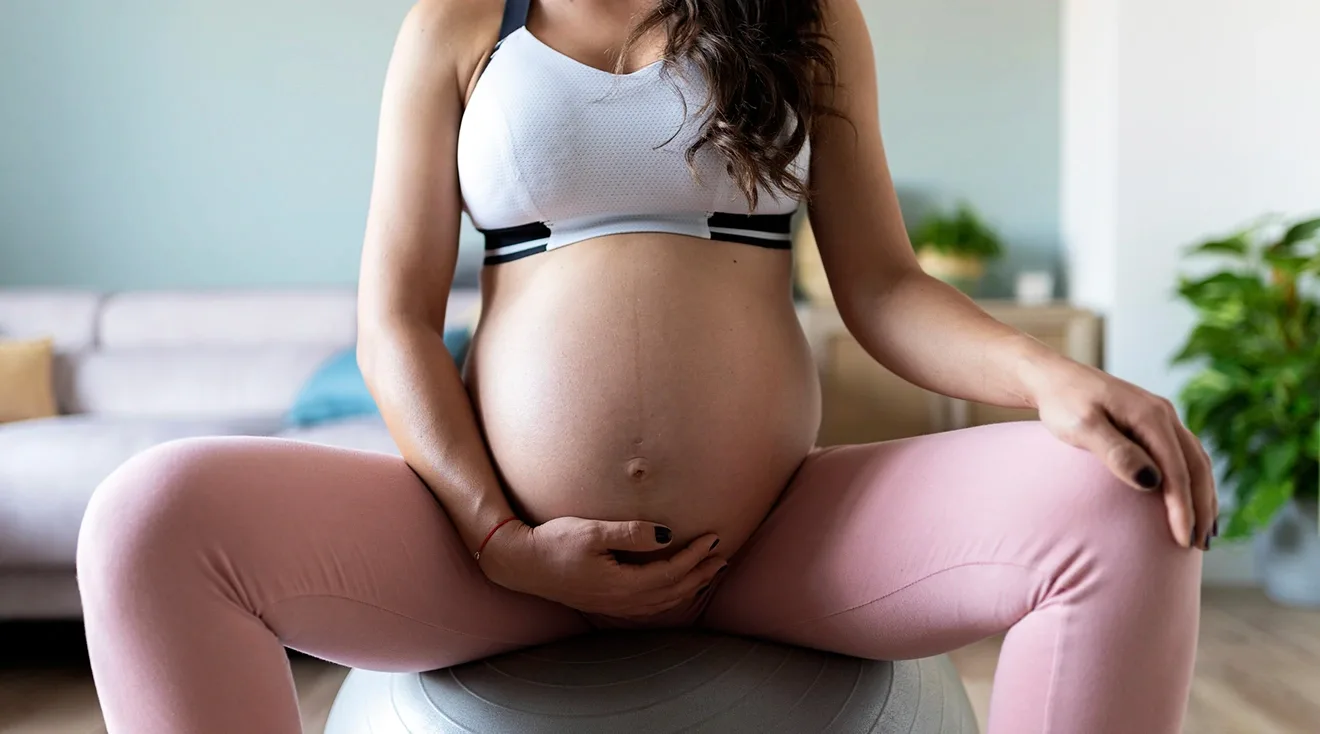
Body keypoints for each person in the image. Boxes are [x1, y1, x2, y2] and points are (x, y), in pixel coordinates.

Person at [77, 1, 1214, 732]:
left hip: (770, 540)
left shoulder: (804, 16)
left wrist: (1050, 380)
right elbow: (396, 321)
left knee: (1124, 497)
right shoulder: (460, 24)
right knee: (147, 519)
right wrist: (500, 537)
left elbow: (882, 287)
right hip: (487, 559)